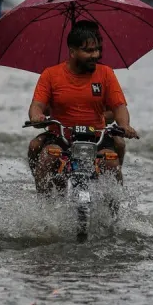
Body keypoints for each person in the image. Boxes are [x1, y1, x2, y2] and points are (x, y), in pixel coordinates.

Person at [27, 20, 139, 193]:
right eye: (88, 51)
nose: (95, 55)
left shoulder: (106, 73)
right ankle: (45, 204)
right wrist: (36, 116)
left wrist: (124, 125)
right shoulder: (50, 74)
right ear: (72, 52)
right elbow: (37, 105)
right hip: (61, 137)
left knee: (112, 161)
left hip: (97, 138)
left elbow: (119, 107)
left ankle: (113, 206)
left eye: (97, 50)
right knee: (44, 154)